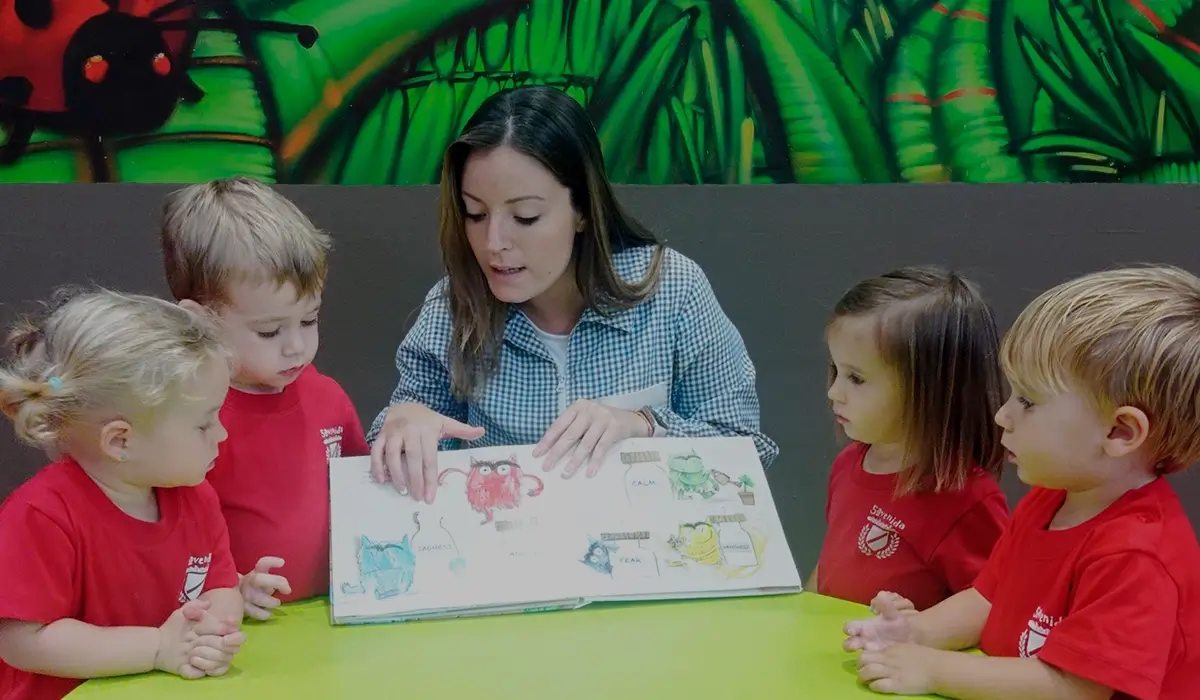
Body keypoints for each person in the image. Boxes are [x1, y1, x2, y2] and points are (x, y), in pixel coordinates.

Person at [367, 85, 777, 503]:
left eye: (525, 217)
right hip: (507, 559)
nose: (493, 243)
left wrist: (645, 424)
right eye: (476, 213)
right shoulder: (453, 309)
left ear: (582, 209)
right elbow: (397, 458)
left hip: (648, 555)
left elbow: (747, 449)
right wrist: (405, 426)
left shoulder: (672, 290)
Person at [844, 266, 1200, 699]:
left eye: (1028, 401)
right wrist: (916, 633)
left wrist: (934, 670)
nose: (1002, 415)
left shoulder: (1136, 555)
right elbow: (988, 598)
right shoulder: (1048, 500)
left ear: (1120, 432)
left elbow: (1075, 689)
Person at [0, 288, 247, 700]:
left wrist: (211, 631)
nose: (222, 434)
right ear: (120, 442)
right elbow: (22, 641)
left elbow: (221, 586)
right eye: (204, 424)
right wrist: (157, 648)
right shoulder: (40, 516)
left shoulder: (196, 497)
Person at [161, 177, 369, 618]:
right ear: (200, 323)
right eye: (270, 331)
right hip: (239, 632)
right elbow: (168, 536)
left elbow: (363, 493)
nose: (296, 346)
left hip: (332, 619)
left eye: (309, 319)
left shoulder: (328, 397)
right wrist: (232, 587)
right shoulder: (193, 420)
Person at [810, 267, 1009, 612]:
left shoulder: (967, 500)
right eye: (836, 370)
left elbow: (992, 605)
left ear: (930, 389)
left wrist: (915, 631)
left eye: (855, 378)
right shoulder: (848, 464)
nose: (834, 391)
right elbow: (826, 570)